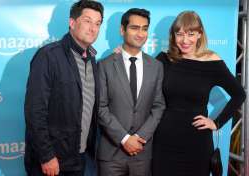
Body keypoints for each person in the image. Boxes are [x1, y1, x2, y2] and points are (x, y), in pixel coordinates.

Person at [153, 11, 246, 176]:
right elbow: (141, 78)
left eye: (190, 34)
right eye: (179, 34)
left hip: (197, 141)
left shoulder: (212, 61)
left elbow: (239, 94)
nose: (185, 40)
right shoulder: (165, 59)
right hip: (165, 139)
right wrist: (123, 53)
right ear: (173, 36)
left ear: (200, 34)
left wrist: (216, 123)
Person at [24, 1, 103, 176]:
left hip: (78, 157)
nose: (93, 28)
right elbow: (35, 110)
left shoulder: (92, 60)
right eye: (87, 21)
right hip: (52, 161)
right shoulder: (48, 56)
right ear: (72, 23)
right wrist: (46, 156)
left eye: (98, 23)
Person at [97, 8, 166, 176]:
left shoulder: (156, 66)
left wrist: (140, 137)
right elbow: (100, 107)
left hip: (142, 153)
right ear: (122, 30)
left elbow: (158, 106)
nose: (140, 33)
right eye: (135, 28)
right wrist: (125, 139)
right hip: (111, 155)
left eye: (144, 28)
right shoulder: (104, 65)